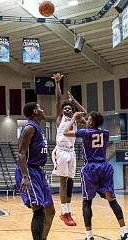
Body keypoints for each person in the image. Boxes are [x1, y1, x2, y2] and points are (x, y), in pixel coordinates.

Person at [64, 111, 128, 240]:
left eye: (88, 120)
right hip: (105, 167)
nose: (86, 121)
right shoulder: (105, 133)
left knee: (87, 202)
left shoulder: (85, 133)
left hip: (90, 168)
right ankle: (125, 232)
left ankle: (89, 236)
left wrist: (73, 118)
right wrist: (87, 119)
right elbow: (93, 127)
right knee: (112, 200)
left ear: (92, 122)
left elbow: (66, 132)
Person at [15, 102, 55, 240]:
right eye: (40, 107)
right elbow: (21, 153)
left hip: (38, 170)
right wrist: (25, 176)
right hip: (29, 170)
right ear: (35, 112)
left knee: (50, 210)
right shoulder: (30, 128)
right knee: (38, 210)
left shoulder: (37, 127)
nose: (43, 109)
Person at [52, 73, 87, 226]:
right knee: (63, 182)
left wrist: (75, 102)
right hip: (60, 151)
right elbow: (58, 99)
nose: (66, 109)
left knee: (71, 182)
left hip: (71, 151)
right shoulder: (61, 118)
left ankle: (68, 211)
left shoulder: (76, 119)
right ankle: (64, 212)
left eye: (69, 108)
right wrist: (58, 83)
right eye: (65, 108)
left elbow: (84, 114)